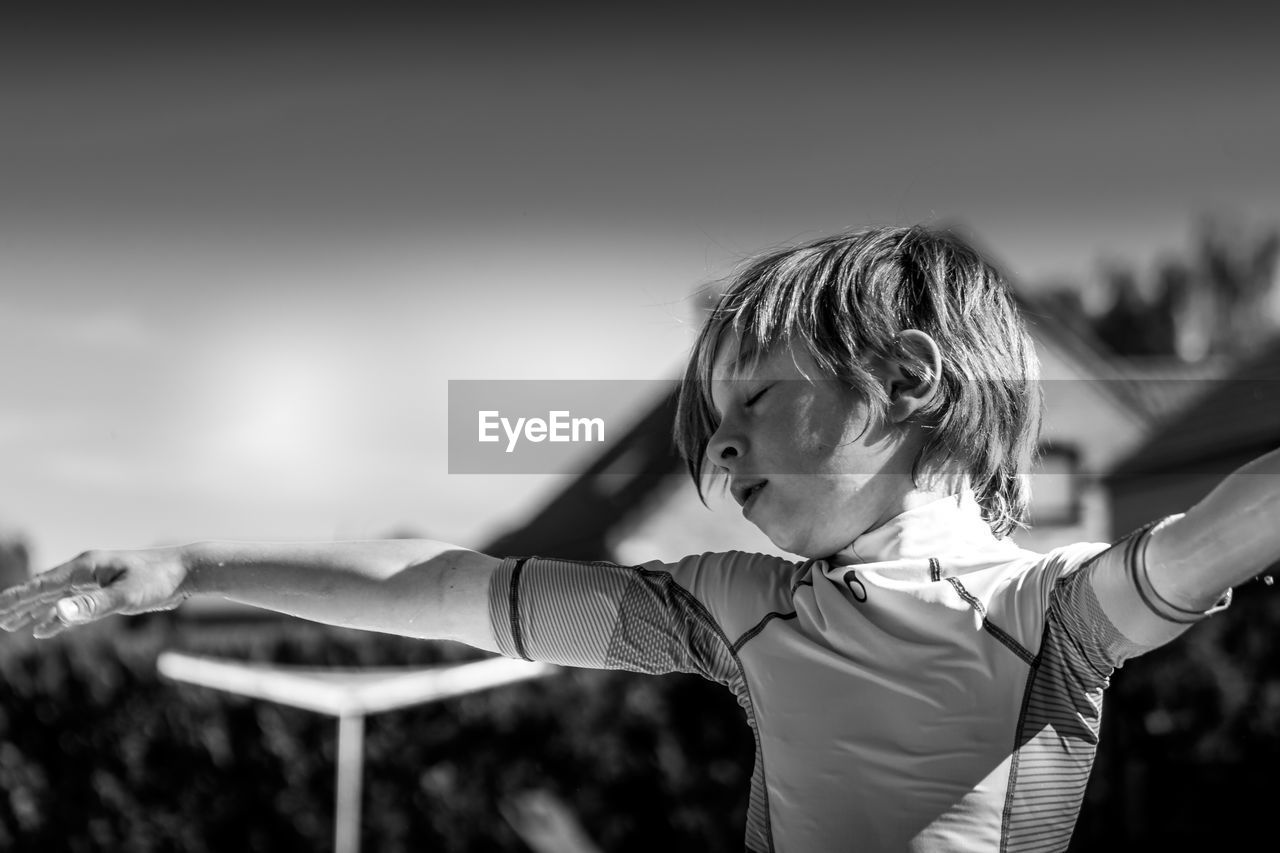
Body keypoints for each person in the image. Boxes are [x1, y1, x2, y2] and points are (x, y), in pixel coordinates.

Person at [0, 225, 1270, 852]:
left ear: (911, 379)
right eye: (710, 428)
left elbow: (1223, 528)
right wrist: (183, 572)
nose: (718, 455)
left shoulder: (1053, 613)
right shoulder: (733, 605)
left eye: (757, 402)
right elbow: (454, 588)